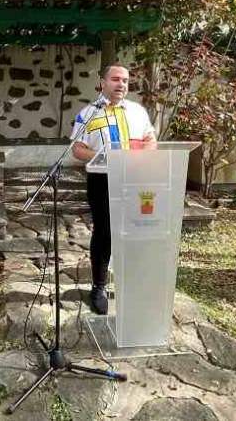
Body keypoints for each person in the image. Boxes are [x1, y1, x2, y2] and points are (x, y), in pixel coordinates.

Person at [70, 63, 157, 314]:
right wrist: (104, 156)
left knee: (135, 231)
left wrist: (141, 157)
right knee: (105, 232)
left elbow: (150, 140)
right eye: (116, 79)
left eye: (125, 80)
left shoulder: (138, 111)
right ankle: (99, 287)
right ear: (103, 82)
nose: (121, 84)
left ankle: (132, 283)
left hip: (135, 180)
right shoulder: (88, 113)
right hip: (102, 179)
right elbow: (77, 149)